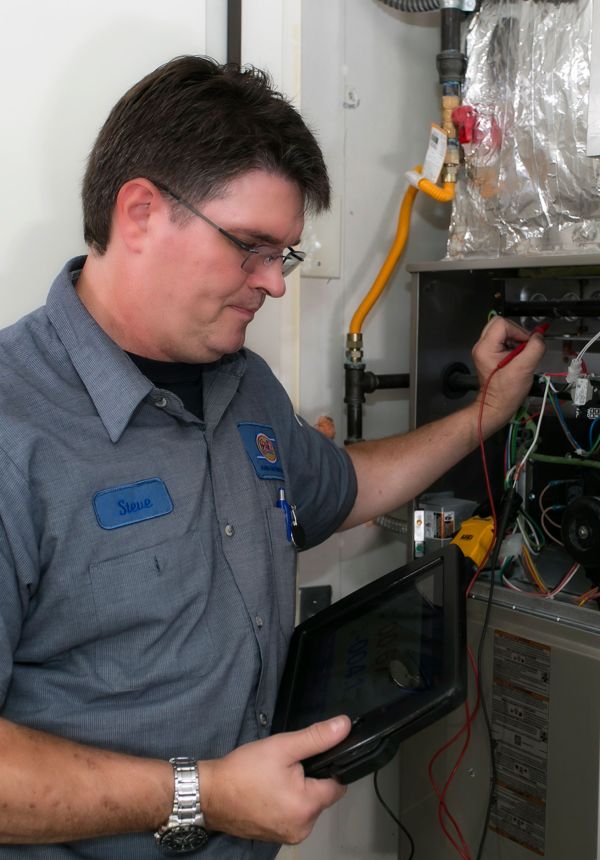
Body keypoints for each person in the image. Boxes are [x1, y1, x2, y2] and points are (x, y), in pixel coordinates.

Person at [0, 55, 544, 858]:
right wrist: (205, 794)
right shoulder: (17, 427)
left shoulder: (244, 384)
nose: (276, 285)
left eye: (282, 254)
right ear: (142, 213)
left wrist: (486, 416)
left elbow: (345, 485)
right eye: (251, 248)